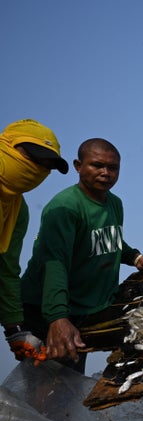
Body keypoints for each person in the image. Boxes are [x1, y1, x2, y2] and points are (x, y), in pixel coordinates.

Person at [20, 138, 143, 373]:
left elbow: (107, 240)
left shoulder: (114, 204)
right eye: (97, 165)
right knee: (50, 383)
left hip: (84, 309)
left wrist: (135, 257)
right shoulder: (64, 208)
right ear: (78, 166)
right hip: (48, 308)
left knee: (71, 382)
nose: (106, 173)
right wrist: (57, 318)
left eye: (113, 168)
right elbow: (54, 265)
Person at [1, 119, 69, 364]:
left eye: (45, 165)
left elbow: (6, 271)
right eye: (32, 156)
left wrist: (15, 331)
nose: (35, 168)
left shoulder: (17, 210)